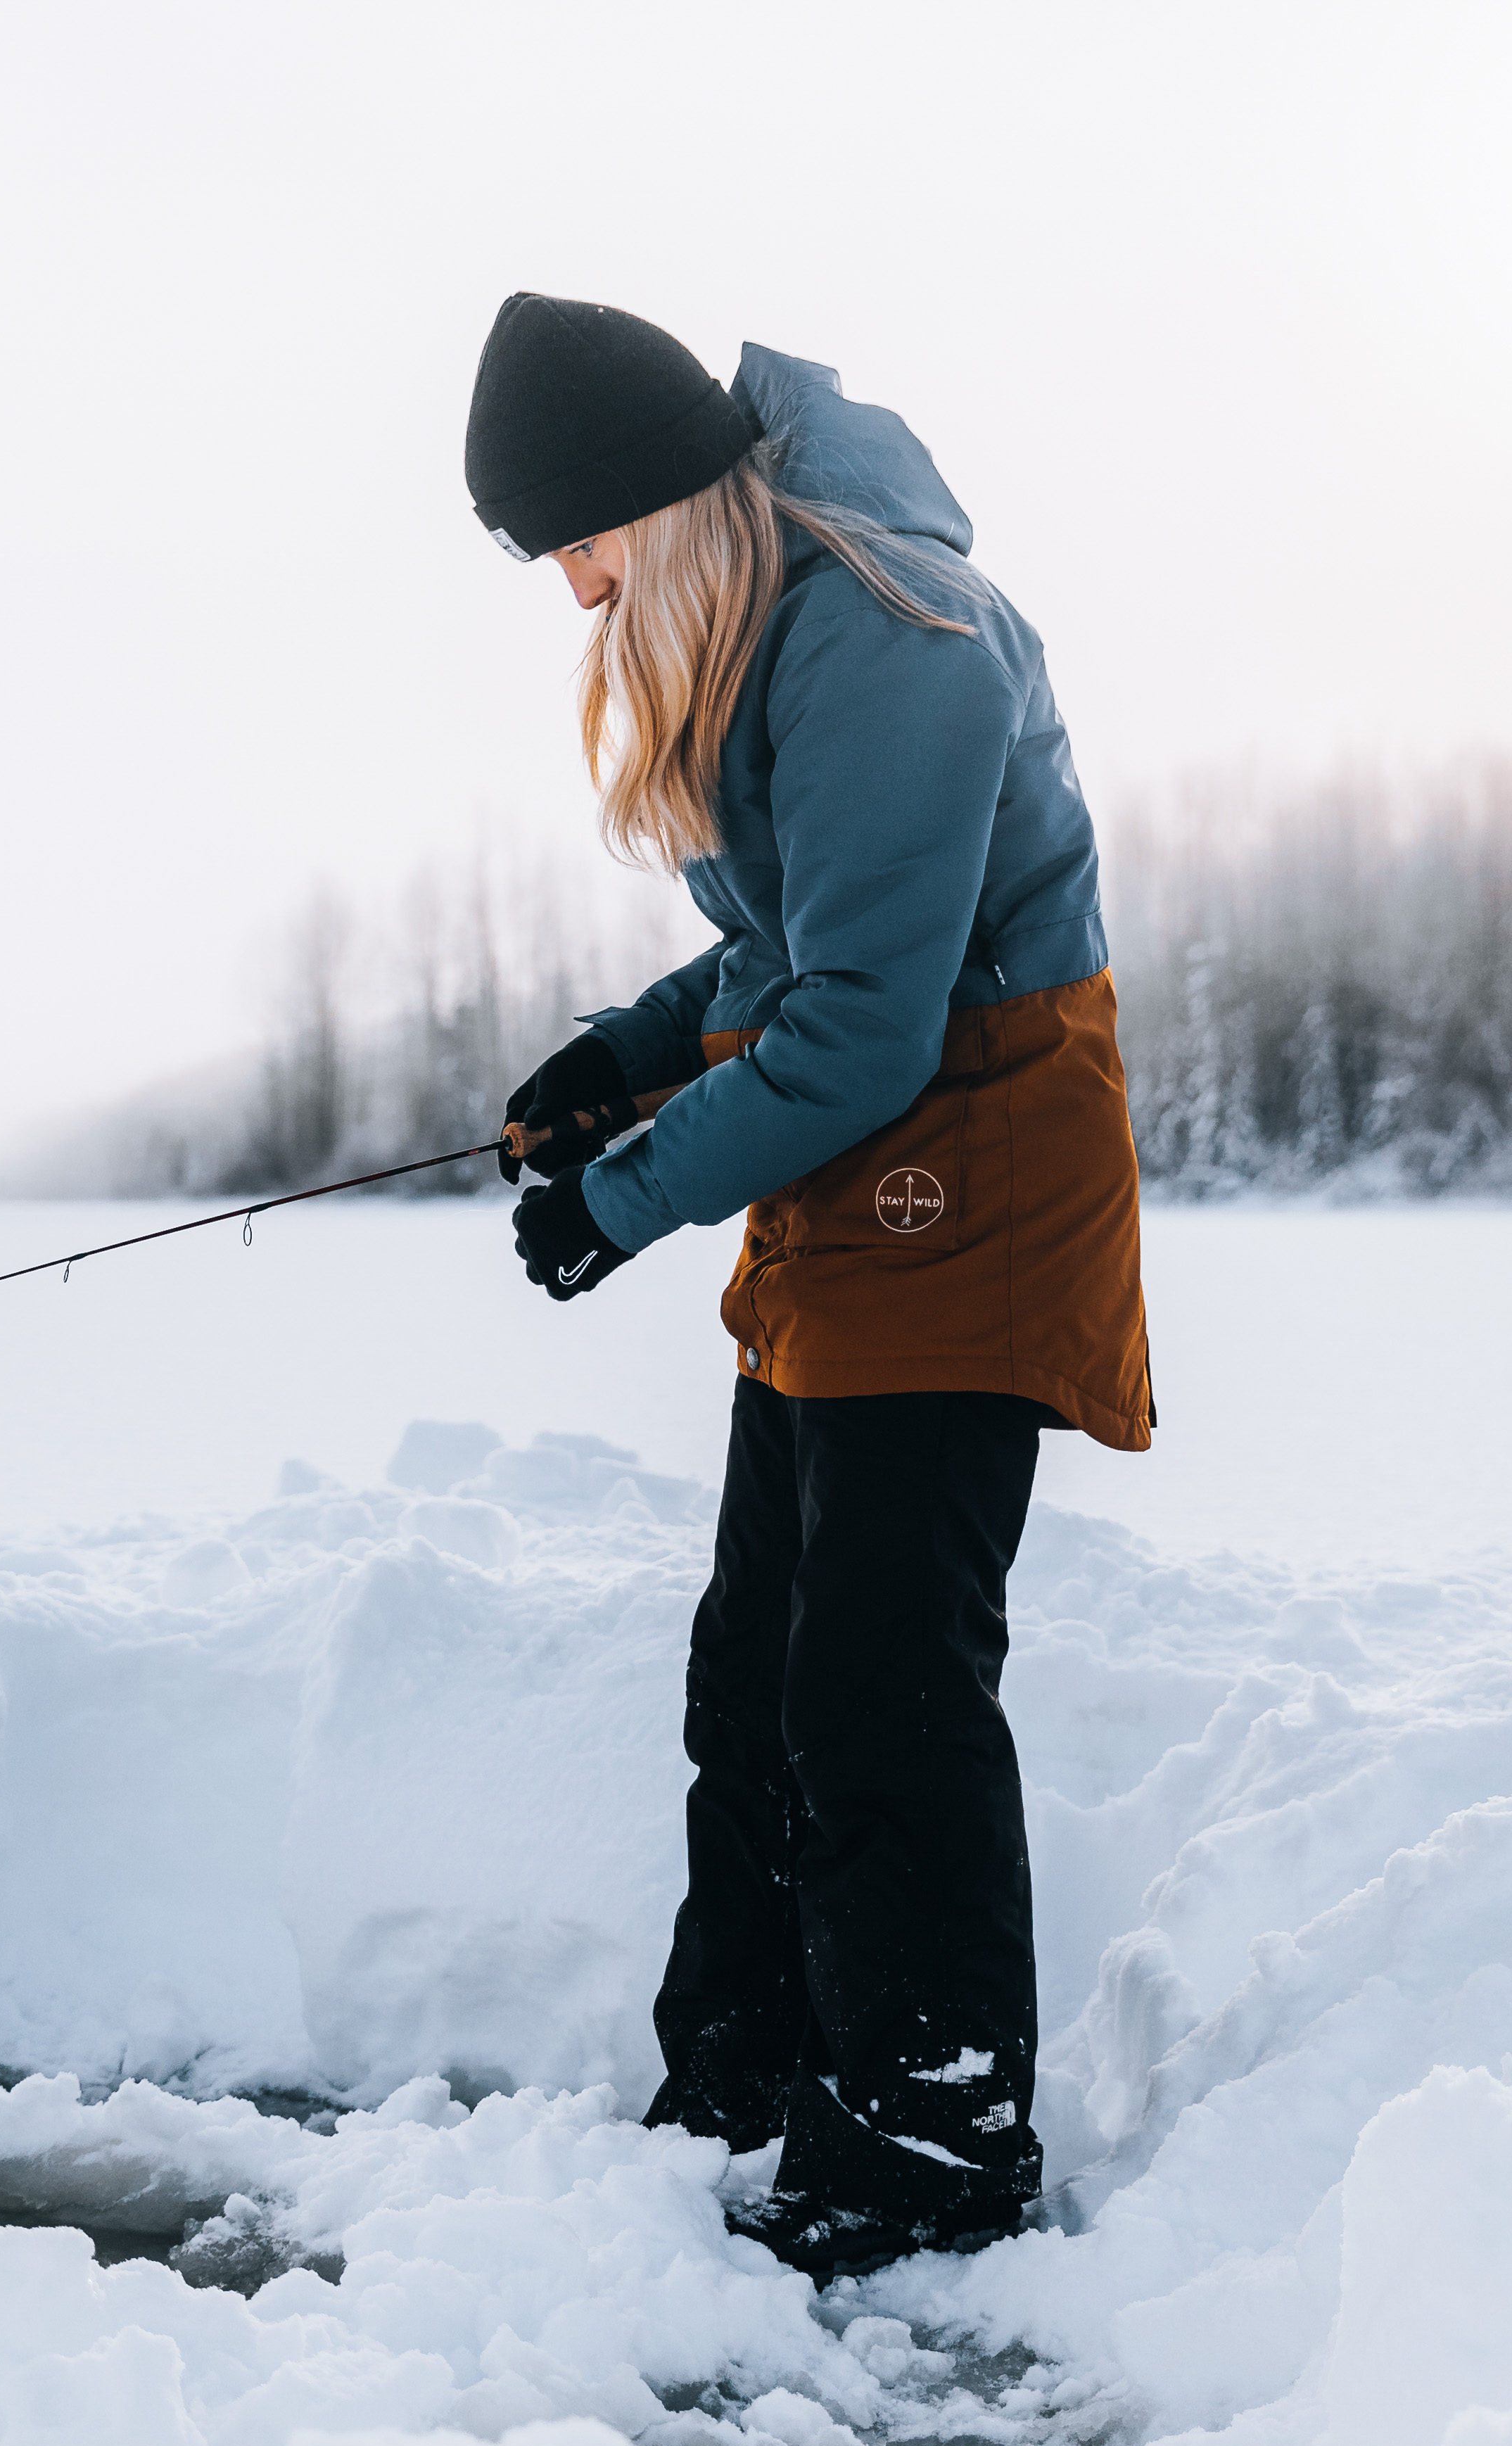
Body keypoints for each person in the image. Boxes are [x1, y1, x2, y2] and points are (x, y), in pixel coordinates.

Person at [466, 292, 1153, 2276]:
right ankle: (752, 2075)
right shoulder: (777, 619)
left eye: (572, 548)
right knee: (755, 1657)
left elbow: (861, 1022)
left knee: (879, 1679)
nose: (579, 595)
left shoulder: (891, 640)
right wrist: (625, 1055)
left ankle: (929, 2151)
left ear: (645, 506)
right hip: (866, 1139)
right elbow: (792, 951)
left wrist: (627, 1198)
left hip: (980, 1148)